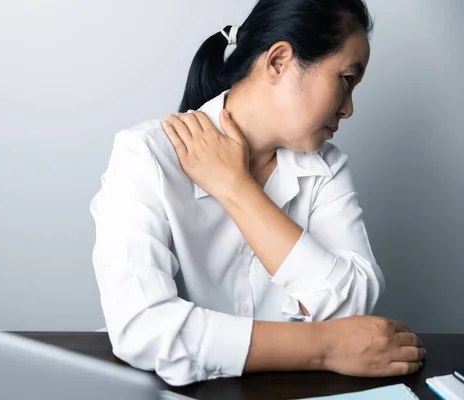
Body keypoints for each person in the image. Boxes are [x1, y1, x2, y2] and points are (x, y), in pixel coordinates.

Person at [90, 0, 426, 387]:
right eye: (346, 79)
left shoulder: (325, 168)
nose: (349, 108)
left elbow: (350, 302)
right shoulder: (146, 154)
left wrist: (235, 187)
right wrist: (326, 347)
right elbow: (144, 328)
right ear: (279, 61)